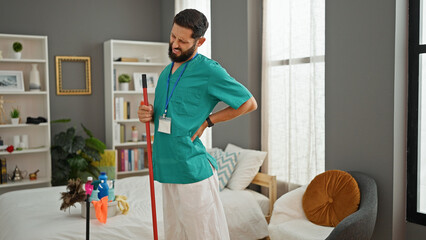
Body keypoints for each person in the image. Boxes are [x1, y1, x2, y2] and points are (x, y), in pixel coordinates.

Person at [138, 8, 257, 240]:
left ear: (200, 41)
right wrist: (148, 114)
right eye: (173, 36)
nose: (174, 44)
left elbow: (248, 103)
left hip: (192, 171)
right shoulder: (165, 74)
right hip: (166, 170)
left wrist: (208, 121)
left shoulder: (209, 70)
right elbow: (169, 115)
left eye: (182, 41)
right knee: (175, 236)